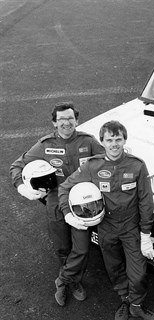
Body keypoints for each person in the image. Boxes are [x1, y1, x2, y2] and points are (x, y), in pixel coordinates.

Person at [58, 120, 154, 320]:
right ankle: (126, 300)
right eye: (109, 140)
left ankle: (137, 306)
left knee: (138, 273)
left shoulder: (136, 165)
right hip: (106, 228)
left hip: (131, 227)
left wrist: (146, 233)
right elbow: (64, 188)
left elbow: (146, 201)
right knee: (114, 269)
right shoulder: (92, 166)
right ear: (102, 142)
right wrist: (68, 214)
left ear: (124, 140)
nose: (114, 144)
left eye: (118, 139)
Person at [10, 102, 105, 306]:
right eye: (61, 119)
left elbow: (106, 160)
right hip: (55, 204)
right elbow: (17, 165)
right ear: (54, 122)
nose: (66, 123)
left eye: (70, 118)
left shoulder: (88, 142)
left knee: (82, 248)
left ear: (76, 120)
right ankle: (71, 282)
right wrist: (22, 187)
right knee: (62, 248)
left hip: (81, 205)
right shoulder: (45, 145)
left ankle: (65, 281)